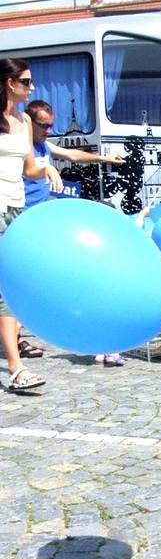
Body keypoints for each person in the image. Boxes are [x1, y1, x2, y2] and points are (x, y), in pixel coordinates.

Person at [0, 59, 61, 392]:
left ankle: (15, 362)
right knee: (7, 290)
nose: (32, 87)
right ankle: (16, 367)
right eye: (26, 81)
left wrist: (46, 170)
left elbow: (28, 169)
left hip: (16, 209)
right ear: (10, 83)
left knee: (12, 286)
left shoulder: (23, 121)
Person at [23, 100, 124, 208]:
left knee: (105, 207)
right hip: (27, 211)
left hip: (46, 206)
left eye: (51, 126)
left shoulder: (45, 145)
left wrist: (104, 158)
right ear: (30, 124)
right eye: (43, 126)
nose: (49, 131)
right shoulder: (20, 148)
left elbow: (72, 155)